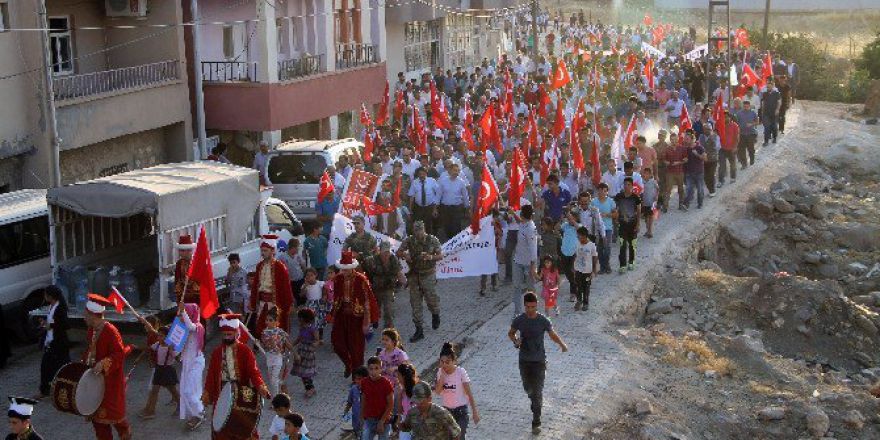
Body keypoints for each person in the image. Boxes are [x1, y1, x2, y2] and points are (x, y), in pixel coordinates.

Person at [508, 292, 568, 435]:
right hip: (524, 361)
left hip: (539, 361)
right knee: (528, 388)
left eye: (533, 307)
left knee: (537, 392)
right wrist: (516, 341)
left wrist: (562, 344)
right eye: (528, 307)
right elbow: (511, 333)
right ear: (524, 306)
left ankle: (536, 421)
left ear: (537, 305)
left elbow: (552, 334)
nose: (531, 310)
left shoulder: (543, 320)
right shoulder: (519, 320)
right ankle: (534, 403)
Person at [202, 313, 270, 440]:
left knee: (245, 425)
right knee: (221, 426)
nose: (227, 337)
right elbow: (211, 374)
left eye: (229, 334)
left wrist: (260, 385)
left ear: (235, 333)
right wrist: (207, 392)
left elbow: (253, 371)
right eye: (224, 335)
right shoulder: (217, 352)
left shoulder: (245, 351)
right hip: (222, 392)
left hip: (243, 390)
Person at [82, 294, 131, 440]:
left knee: (117, 418)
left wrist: (103, 363)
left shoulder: (111, 331)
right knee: (98, 423)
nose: (83, 318)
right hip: (95, 383)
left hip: (110, 383)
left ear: (93, 315)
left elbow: (119, 354)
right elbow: (90, 350)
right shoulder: (91, 330)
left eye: (86, 315)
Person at [331, 251, 379, 377]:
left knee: (356, 348)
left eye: (346, 270)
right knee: (337, 343)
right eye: (342, 269)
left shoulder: (361, 280)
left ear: (352, 268)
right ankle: (348, 364)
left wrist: (366, 322)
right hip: (342, 314)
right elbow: (335, 298)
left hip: (356, 318)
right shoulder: (338, 279)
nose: (343, 272)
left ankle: (357, 375)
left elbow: (367, 302)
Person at [396, 220, 443, 343]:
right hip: (414, 275)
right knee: (415, 303)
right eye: (416, 230)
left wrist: (430, 257)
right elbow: (398, 252)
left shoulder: (433, 240)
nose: (418, 233)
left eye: (420, 230)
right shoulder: (409, 240)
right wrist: (405, 255)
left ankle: (435, 314)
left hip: (428, 274)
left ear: (424, 229)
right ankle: (419, 329)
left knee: (431, 299)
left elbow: (440, 255)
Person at [249, 234, 294, 339]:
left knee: (274, 328)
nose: (263, 253)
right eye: (262, 251)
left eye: (265, 251)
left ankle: (275, 349)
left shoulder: (280, 267)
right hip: (261, 303)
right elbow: (255, 286)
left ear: (273, 250)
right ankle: (260, 346)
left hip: (274, 303)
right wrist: (252, 302)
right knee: (260, 327)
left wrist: (289, 303)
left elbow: (286, 287)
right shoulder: (259, 266)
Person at [435, 343, 479, 439]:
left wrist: (475, 412)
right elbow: (437, 392)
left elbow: (469, 393)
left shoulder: (461, 372)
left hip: (461, 412)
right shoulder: (440, 372)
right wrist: (442, 377)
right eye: (442, 362)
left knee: (459, 437)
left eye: (447, 362)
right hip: (447, 412)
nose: (444, 365)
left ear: (454, 361)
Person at [138, 324, 180, 419]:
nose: (158, 337)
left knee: (173, 390)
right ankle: (151, 411)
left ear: (167, 337)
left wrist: (171, 350)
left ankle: (180, 404)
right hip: (159, 370)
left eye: (161, 336)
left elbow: (178, 358)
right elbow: (148, 348)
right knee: (154, 390)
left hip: (168, 371)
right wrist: (136, 347)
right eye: (158, 335)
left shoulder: (171, 346)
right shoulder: (157, 345)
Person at [37, 286, 69, 400]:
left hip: (58, 344)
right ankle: (45, 390)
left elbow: (65, 325)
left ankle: (64, 390)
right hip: (51, 342)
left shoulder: (60, 308)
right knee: (46, 367)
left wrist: (50, 326)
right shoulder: (52, 306)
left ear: (50, 296)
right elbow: (53, 322)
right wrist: (45, 323)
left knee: (61, 368)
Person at [178, 303, 206, 430]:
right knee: (185, 391)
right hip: (186, 363)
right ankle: (193, 415)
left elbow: (190, 326)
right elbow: (176, 351)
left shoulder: (198, 327)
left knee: (189, 391)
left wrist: (183, 311)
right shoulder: (182, 329)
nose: (186, 315)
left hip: (196, 363)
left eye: (188, 313)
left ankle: (200, 412)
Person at [364, 241, 404, 330]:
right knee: (375, 309)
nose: (386, 254)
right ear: (380, 251)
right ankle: (375, 321)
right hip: (376, 289)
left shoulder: (393, 260)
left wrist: (404, 282)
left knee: (389, 310)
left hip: (388, 289)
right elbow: (363, 270)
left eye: (388, 252)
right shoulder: (372, 260)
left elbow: (399, 274)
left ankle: (388, 330)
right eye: (384, 252)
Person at [511, 205, 538, 317]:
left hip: (528, 263)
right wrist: (512, 213)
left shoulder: (531, 228)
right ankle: (517, 312)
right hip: (518, 260)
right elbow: (520, 222)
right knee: (516, 286)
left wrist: (532, 267)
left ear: (523, 214)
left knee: (530, 288)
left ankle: (532, 311)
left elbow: (533, 248)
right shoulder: (523, 223)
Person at [261, 307, 293, 397]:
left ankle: (275, 399)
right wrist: (270, 342)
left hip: (278, 357)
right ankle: (282, 383)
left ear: (276, 321)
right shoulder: (264, 333)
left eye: (270, 320)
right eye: (266, 320)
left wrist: (295, 353)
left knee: (274, 379)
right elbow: (265, 346)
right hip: (269, 357)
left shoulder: (280, 332)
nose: (267, 322)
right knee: (272, 380)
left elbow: (287, 343)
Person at [361, 357, 394, 440]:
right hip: (369, 419)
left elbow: (390, 404)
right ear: (368, 369)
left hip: (384, 419)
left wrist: (382, 421)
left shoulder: (386, 383)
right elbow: (363, 399)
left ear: (381, 369)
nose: (373, 371)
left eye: (376, 368)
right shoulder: (364, 382)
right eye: (371, 369)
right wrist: (361, 416)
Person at [614, 177, 642, 272]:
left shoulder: (636, 197)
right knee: (622, 244)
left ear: (632, 185)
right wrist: (616, 219)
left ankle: (631, 262)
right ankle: (622, 265)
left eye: (629, 184)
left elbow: (639, 211)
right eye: (625, 184)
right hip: (622, 225)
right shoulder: (619, 196)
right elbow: (616, 209)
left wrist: (638, 224)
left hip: (633, 224)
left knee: (632, 244)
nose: (626, 186)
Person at [437, 163, 470, 241]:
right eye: (455, 170)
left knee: (456, 227)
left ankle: (456, 244)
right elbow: (438, 195)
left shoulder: (461, 182)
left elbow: (465, 196)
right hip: (445, 208)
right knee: (447, 227)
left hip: (457, 208)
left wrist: (467, 207)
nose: (456, 172)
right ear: (450, 170)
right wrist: (435, 208)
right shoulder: (443, 181)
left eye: (458, 171)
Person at [290, 308, 318, 398]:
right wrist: (292, 344)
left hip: (308, 353)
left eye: (299, 318)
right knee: (302, 372)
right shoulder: (302, 328)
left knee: (305, 372)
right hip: (301, 352)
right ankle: (310, 388)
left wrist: (314, 345)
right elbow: (299, 338)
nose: (298, 320)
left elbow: (317, 340)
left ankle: (309, 389)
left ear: (303, 319)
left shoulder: (312, 329)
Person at [590, 184, 617, 274]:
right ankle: (602, 267)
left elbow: (616, 214)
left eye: (604, 190)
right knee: (599, 248)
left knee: (607, 247)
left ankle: (607, 265)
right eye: (600, 190)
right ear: (598, 191)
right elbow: (590, 214)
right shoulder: (593, 202)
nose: (602, 192)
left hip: (608, 228)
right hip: (597, 229)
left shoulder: (611, 201)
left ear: (607, 192)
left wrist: (606, 215)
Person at [408, 167, 441, 236]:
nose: (422, 175)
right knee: (418, 226)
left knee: (428, 226)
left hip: (429, 207)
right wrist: (410, 210)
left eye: (423, 174)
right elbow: (411, 197)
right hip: (418, 208)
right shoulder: (414, 182)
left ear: (426, 174)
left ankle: (429, 241)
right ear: (418, 175)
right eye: (420, 174)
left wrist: (435, 209)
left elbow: (438, 193)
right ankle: (418, 241)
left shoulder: (432, 181)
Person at [300, 268, 330, 343]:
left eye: (311, 275)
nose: (309, 277)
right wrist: (305, 287)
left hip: (319, 304)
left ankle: (320, 337)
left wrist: (324, 299)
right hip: (310, 304)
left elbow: (325, 292)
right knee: (311, 321)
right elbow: (301, 295)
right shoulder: (305, 285)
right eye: (307, 276)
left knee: (320, 320)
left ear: (316, 275)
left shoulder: (320, 283)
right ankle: (311, 336)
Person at [573, 227, 599, 311]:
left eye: (580, 236)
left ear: (585, 236)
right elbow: (575, 256)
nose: (579, 238)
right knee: (578, 286)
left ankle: (585, 303)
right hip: (578, 270)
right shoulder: (577, 244)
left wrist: (594, 270)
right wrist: (573, 268)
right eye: (578, 236)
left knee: (586, 287)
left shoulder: (591, 245)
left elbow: (595, 258)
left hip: (588, 271)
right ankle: (579, 301)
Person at [682, 130, 707, 210]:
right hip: (689, 173)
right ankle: (686, 204)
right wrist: (684, 160)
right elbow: (684, 160)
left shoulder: (700, 148)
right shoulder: (685, 149)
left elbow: (705, 158)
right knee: (688, 189)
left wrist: (697, 154)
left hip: (699, 173)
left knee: (700, 189)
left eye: (687, 139)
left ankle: (700, 203)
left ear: (692, 139)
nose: (685, 140)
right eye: (685, 139)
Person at [394, 364, 420, 440]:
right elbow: (400, 411)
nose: (397, 377)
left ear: (403, 377)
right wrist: (399, 396)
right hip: (405, 423)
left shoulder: (418, 389)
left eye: (398, 375)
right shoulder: (401, 392)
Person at [278, 239, 307, 307]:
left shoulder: (298, 255)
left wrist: (305, 276)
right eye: (298, 247)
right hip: (291, 282)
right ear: (293, 247)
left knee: (303, 296)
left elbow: (303, 266)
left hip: (300, 279)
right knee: (295, 297)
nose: (298, 249)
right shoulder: (282, 257)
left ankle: (303, 309)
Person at [174, 235, 200, 304]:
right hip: (184, 298)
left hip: (197, 298)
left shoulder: (197, 263)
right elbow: (177, 280)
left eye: (182, 251)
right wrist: (179, 297)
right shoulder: (179, 263)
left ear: (189, 251)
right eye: (180, 251)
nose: (180, 253)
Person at [344, 366, 368, 437]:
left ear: (366, 379)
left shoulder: (370, 390)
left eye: (359, 379)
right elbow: (350, 402)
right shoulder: (353, 389)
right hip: (356, 419)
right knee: (357, 433)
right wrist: (346, 411)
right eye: (356, 379)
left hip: (367, 420)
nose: (357, 381)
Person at [640, 167, 660, 238]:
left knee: (651, 217)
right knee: (646, 218)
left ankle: (650, 231)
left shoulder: (653, 181)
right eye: (645, 173)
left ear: (651, 174)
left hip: (652, 202)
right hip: (644, 202)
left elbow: (658, 189)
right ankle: (647, 230)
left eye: (648, 174)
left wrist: (656, 196)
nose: (646, 175)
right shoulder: (641, 181)